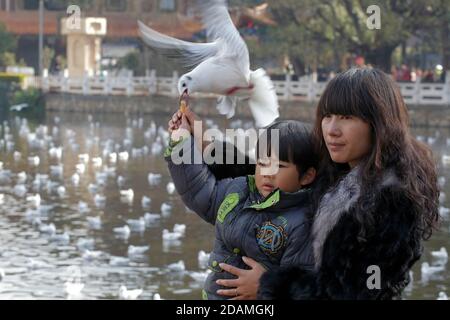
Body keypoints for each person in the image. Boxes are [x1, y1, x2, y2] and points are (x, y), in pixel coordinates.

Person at [216, 67, 439, 299]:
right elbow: (273, 171)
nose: (331, 130)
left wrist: (267, 284)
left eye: (346, 117)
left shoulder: (393, 201)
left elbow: (352, 293)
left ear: (378, 123)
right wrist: (204, 145)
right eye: (327, 116)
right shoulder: (337, 171)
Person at [166, 110, 318, 300]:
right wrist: (182, 141)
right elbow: (198, 189)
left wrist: (267, 286)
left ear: (307, 176)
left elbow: (303, 288)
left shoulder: (304, 224)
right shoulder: (239, 191)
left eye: (279, 166)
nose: (267, 173)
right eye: (262, 163)